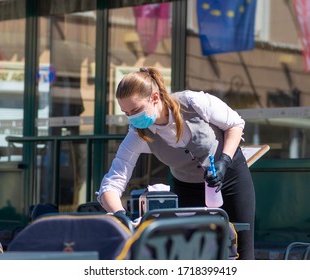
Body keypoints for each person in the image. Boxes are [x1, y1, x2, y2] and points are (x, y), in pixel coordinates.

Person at [97, 67, 255, 260]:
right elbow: (112, 183)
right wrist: (121, 214)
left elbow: (235, 124)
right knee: (194, 255)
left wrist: (224, 161)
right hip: (187, 188)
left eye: (136, 110)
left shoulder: (193, 102)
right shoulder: (138, 134)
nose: (132, 118)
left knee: (242, 250)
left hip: (230, 178)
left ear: (155, 98)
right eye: (126, 113)